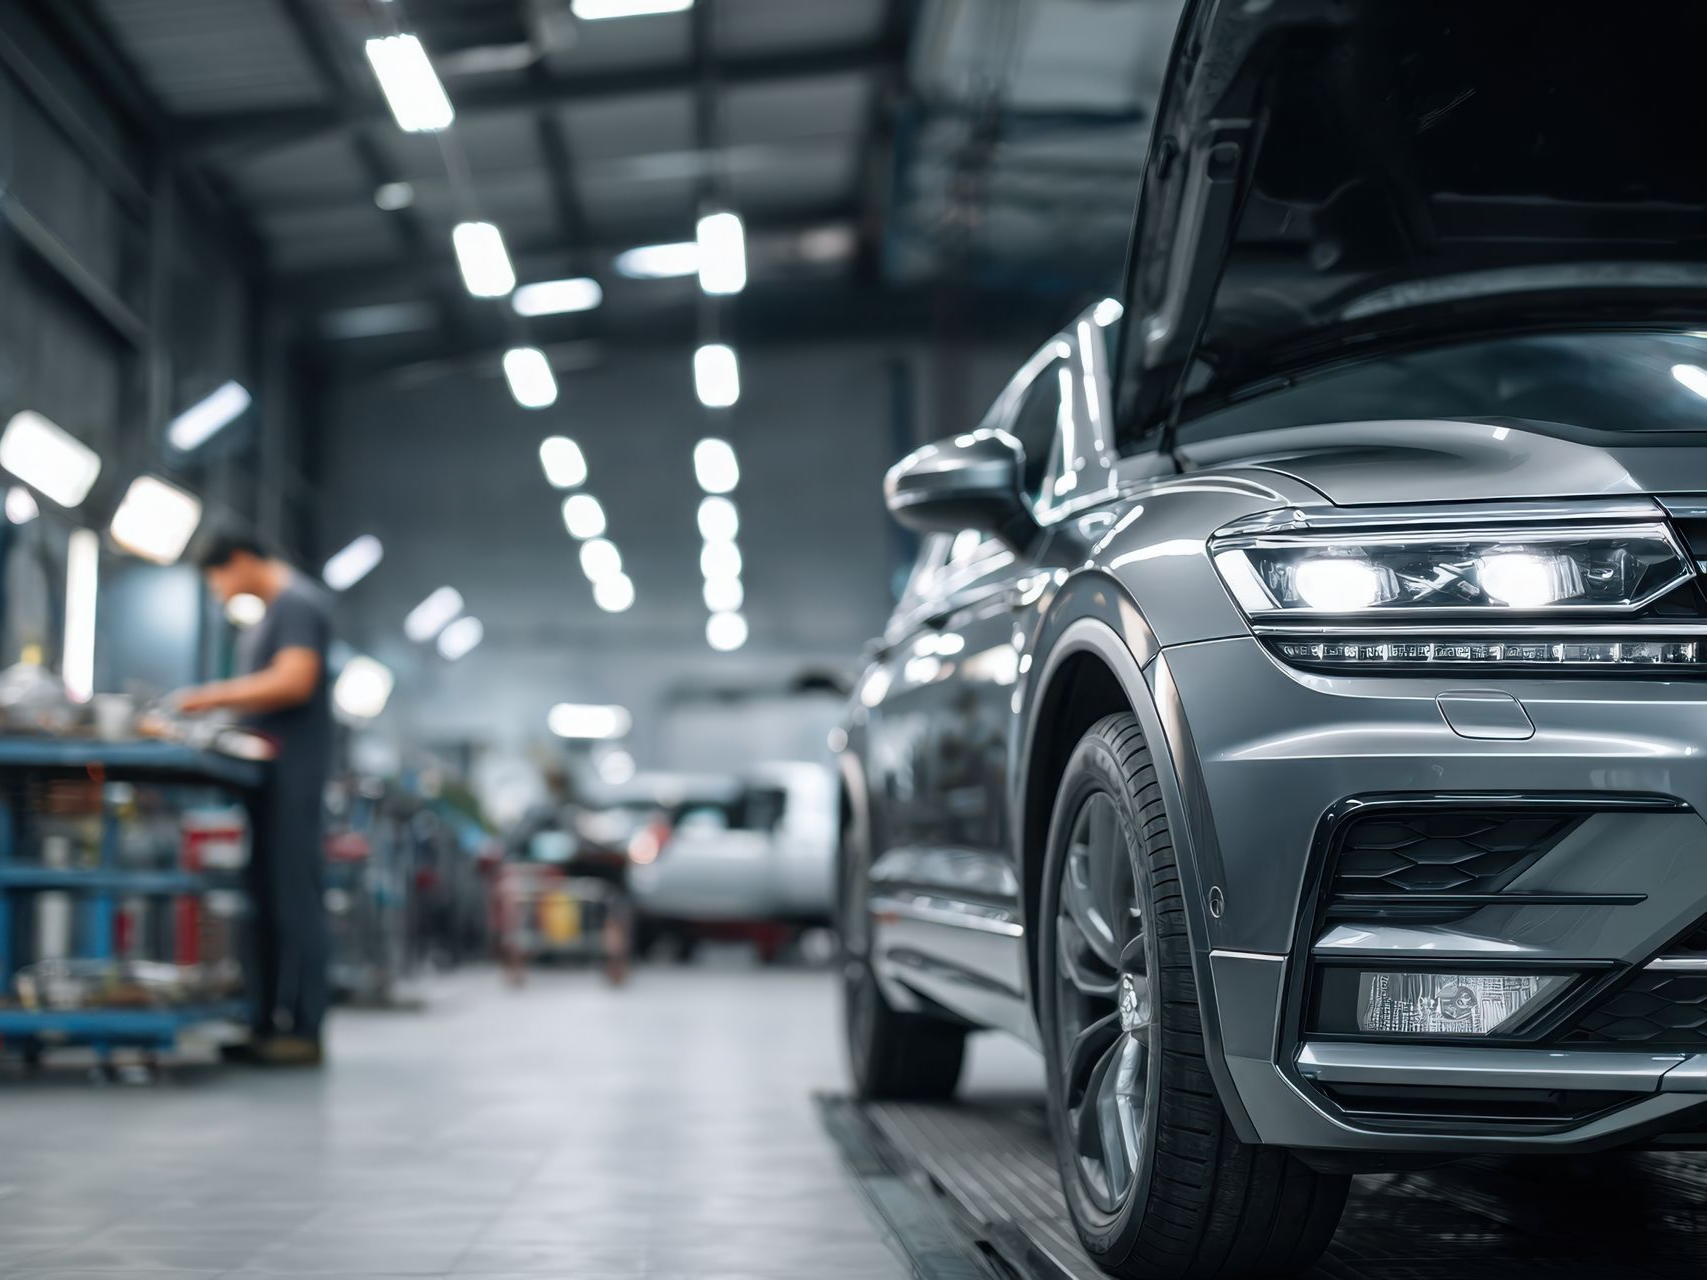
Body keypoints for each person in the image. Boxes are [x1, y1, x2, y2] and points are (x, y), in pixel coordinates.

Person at [178, 529, 334, 1065]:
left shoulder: (296, 604)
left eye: (219, 578)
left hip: (294, 775)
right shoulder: (266, 616)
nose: (219, 592)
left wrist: (207, 697)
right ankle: (267, 1022)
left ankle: (305, 1028)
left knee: (295, 900)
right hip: (266, 780)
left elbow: (294, 681)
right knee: (266, 901)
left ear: (241, 561)